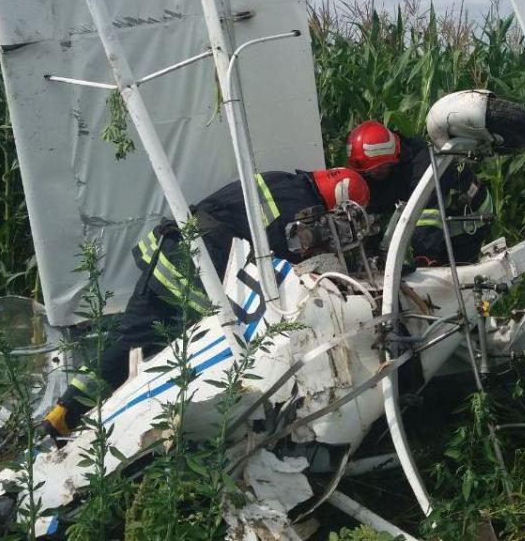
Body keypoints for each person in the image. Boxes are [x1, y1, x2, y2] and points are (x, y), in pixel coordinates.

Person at [42, 167, 370, 438]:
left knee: (127, 342)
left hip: (167, 253)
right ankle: (144, 432)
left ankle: (64, 411)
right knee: (208, 354)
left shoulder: (282, 180)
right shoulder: (302, 208)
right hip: (196, 271)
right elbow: (283, 269)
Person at [345, 119, 503, 265]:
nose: (374, 174)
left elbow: (427, 219)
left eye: (378, 168)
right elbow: (373, 209)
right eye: (369, 171)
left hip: (467, 218)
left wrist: (424, 262)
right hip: (440, 214)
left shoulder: (422, 167)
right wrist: (370, 251)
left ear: (391, 158)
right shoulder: (380, 167)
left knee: (452, 280)